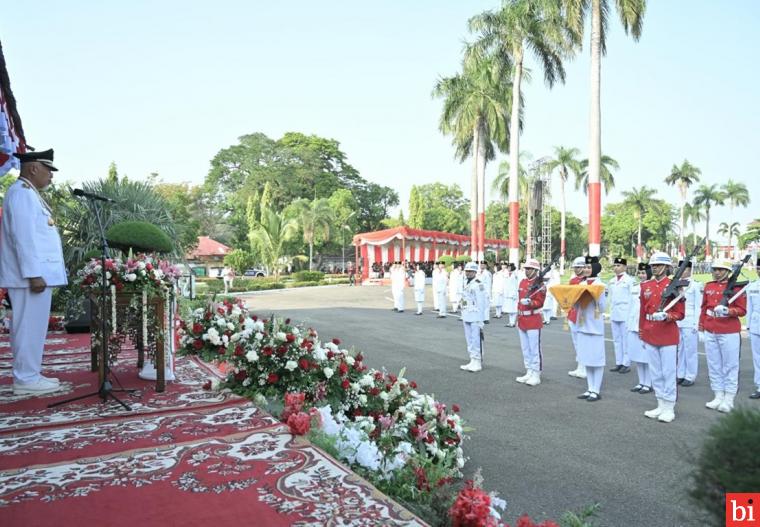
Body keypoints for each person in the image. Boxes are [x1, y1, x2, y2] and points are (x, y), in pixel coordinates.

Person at [0, 149, 67, 395]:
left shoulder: (29, 194)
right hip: (29, 278)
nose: (51, 176)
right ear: (33, 168)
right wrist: (34, 274)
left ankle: (29, 374)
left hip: (32, 276)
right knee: (28, 327)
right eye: (48, 170)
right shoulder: (22, 195)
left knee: (33, 327)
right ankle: (26, 379)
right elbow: (23, 239)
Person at [639, 252, 685, 423]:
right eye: (653, 265)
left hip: (667, 334)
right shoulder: (646, 286)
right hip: (650, 332)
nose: (655, 267)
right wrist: (641, 331)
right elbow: (643, 311)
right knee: (655, 372)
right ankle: (660, 403)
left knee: (668, 372)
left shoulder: (674, 286)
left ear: (666, 267)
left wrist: (667, 316)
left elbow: (680, 313)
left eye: (658, 265)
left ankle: (669, 407)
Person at [699, 258, 747, 413]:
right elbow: (704, 307)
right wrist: (701, 327)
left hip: (728, 330)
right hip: (711, 328)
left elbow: (742, 310)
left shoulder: (736, 288)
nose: (717, 272)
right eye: (715, 269)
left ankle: (729, 398)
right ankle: (718, 395)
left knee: (730, 365)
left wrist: (729, 311)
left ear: (727, 272)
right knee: (714, 365)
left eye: (720, 269)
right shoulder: (709, 286)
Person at [573, 256, 607, 402]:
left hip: (595, 326)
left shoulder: (601, 285)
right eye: (585, 267)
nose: (586, 270)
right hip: (582, 324)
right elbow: (575, 305)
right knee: (586, 358)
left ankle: (596, 389)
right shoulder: (581, 283)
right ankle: (589, 388)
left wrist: (594, 296)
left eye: (589, 267)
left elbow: (603, 307)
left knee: (596, 359)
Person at [515, 258, 546, 386]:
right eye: (526, 269)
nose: (527, 271)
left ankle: (536, 373)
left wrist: (531, 303)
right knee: (525, 348)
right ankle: (529, 370)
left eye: (529, 269)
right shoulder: (522, 282)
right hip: (522, 318)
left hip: (533, 319)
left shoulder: (540, 285)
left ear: (535, 270)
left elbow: (540, 302)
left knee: (534, 349)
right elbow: (519, 300)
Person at [675, 259, 703, 387]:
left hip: (690, 320)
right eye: (680, 269)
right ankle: (680, 374)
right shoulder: (675, 284)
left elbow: (699, 306)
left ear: (690, 270)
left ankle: (690, 375)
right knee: (679, 349)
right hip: (678, 321)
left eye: (685, 269)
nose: (682, 271)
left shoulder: (695, 285)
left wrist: (696, 324)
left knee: (690, 350)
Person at [628, 263, 653, 394]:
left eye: (644, 273)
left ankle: (648, 383)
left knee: (646, 356)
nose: (641, 275)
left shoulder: (652, 287)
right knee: (637, 356)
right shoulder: (635, 287)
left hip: (646, 324)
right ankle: (641, 381)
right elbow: (630, 305)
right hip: (633, 323)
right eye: (640, 273)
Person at [608, 257, 634, 374]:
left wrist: (631, 314)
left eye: (618, 265)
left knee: (626, 339)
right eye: (615, 265)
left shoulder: (629, 280)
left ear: (624, 267)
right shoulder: (612, 281)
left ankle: (626, 363)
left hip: (625, 312)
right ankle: (618, 362)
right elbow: (610, 297)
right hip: (614, 312)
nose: (616, 268)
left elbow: (632, 298)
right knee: (617, 339)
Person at [459, 261, 486, 372]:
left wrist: (481, 319)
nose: (468, 273)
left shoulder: (478, 283)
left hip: (475, 316)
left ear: (475, 272)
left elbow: (481, 302)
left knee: (476, 339)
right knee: (469, 339)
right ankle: (472, 359)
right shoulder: (466, 282)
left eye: (470, 271)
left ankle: (478, 361)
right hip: (466, 315)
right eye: (467, 271)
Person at [567, 257, 588, 379]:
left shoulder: (586, 280)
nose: (576, 269)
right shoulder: (573, 280)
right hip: (573, 313)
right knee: (576, 342)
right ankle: (579, 366)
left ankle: (584, 367)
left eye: (579, 267)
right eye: (575, 267)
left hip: (583, 315)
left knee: (583, 342)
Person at [748, 258, 760, 399]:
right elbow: (749, 308)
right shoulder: (753, 286)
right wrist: (750, 326)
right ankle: (759, 385)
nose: (759, 271)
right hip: (756, 324)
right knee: (757, 357)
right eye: (758, 268)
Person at [503, 263, 519, 327]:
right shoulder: (507, 274)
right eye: (508, 267)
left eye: (509, 267)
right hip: (508, 294)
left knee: (514, 309)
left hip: (513, 294)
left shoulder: (515, 274)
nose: (508, 268)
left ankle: (513, 322)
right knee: (509, 309)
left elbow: (516, 285)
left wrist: (515, 294)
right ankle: (510, 322)